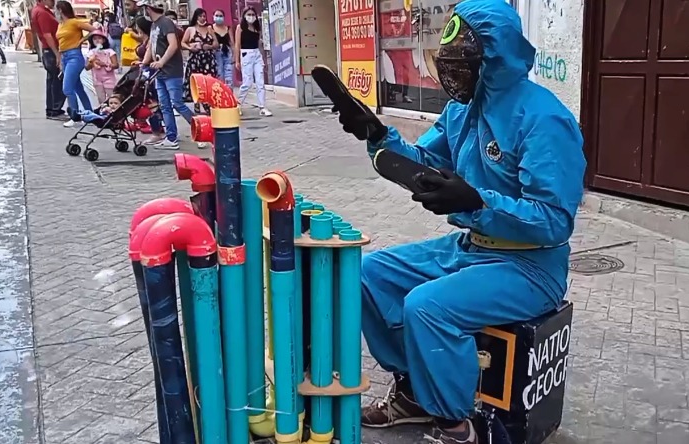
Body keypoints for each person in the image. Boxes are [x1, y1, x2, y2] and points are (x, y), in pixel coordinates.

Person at [333, 1, 586, 443]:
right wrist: (377, 136)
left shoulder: (544, 119)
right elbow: (425, 164)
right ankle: (413, 392)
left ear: (492, 57)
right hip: (473, 248)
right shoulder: (463, 109)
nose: (451, 75)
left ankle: (455, 425)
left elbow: (554, 221)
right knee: (369, 274)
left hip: (531, 267)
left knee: (428, 307)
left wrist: (478, 200)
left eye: (461, 65)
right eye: (447, 64)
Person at [138, 0, 206, 149]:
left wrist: (161, 61)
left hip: (171, 71)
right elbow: (151, 47)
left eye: (144, 9)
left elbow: (173, 45)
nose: (144, 12)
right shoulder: (154, 25)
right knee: (165, 105)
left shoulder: (166, 23)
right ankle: (171, 137)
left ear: (149, 8)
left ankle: (203, 131)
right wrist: (144, 62)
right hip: (160, 73)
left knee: (177, 103)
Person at [54, 0, 96, 128]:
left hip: (74, 56)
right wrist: (60, 59)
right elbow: (61, 42)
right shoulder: (61, 24)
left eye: (56, 9)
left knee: (67, 88)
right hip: (66, 57)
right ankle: (89, 114)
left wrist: (82, 40)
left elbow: (94, 30)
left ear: (61, 10)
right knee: (78, 88)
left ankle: (75, 115)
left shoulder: (74, 22)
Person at [31, 0, 67, 120]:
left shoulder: (41, 11)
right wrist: (57, 54)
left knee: (52, 80)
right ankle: (54, 109)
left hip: (49, 50)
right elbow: (47, 34)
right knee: (57, 80)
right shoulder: (42, 13)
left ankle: (53, 109)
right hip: (51, 50)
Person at [234, 7, 271, 116]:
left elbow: (259, 44)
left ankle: (262, 106)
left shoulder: (256, 28)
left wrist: (263, 58)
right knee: (247, 82)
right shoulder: (240, 28)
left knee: (260, 82)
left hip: (256, 54)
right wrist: (237, 60)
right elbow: (237, 44)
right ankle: (238, 104)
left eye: (252, 14)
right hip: (246, 54)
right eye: (248, 14)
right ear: (244, 16)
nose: (251, 17)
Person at [181, 8, 218, 115]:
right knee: (197, 83)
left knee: (208, 83)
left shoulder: (209, 28)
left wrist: (209, 46)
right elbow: (182, 43)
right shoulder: (190, 29)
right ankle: (197, 105)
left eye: (204, 16)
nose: (202, 18)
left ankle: (208, 104)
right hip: (195, 60)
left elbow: (216, 44)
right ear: (196, 17)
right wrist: (190, 48)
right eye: (200, 16)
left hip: (208, 60)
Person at [86, 30, 119, 103]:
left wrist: (104, 64)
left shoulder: (110, 51)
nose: (97, 40)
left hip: (109, 79)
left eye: (99, 38)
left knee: (112, 97)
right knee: (101, 99)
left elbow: (116, 65)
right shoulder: (91, 52)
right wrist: (92, 61)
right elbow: (87, 67)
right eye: (94, 39)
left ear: (104, 40)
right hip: (97, 80)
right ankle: (103, 111)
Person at [211, 9, 233, 87]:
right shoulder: (210, 28)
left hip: (227, 52)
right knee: (219, 73)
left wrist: (235, 56)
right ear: (213, 16)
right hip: (216, 53)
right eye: (217, 16)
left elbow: (232, 43)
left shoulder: (228, 28)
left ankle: (229, 94)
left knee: (229, 75)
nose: (219, 17)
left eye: (220, 16)